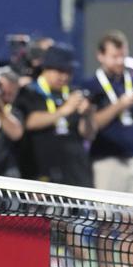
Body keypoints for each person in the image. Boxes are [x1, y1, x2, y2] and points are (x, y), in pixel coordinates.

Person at [15, 44, 95, 186]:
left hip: (75, 174)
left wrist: (87, 115)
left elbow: (88, 134)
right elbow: (29, 122)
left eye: (68, 72)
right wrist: (63, 111)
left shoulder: (74, 93)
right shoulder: (29, 92)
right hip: (41, 174)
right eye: (59, 71)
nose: (64, 77)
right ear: (46, 68)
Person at [86, 31, 133, 195]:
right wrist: (119, 105)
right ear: (100, 56)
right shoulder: (92, 86)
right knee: (108, 218)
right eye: (114, 56)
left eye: (123, 56)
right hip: (108, 160)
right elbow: (92, 125)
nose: (119, 61)